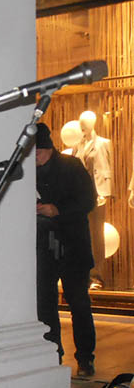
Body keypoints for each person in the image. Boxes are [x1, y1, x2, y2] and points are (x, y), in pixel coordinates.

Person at [36, 122, 97, 377]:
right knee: (45, 305)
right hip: (43, 248)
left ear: (48, 149)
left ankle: (85, 359)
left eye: (38, 153)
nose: (35, 159)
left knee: (79, 303)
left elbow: (88, 201)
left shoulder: (72, 166)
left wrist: (57, 210)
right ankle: (54, 357)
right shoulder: (30, 172)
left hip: (73, 246)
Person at [72, 111, 114, 290]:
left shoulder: (103, 143)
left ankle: (97, 276)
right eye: (81, 122)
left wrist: (105, 192)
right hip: (81, 195)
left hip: (97, 195)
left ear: (93, 123)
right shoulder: (77, 145)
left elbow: (107, 168)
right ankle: (83, 274)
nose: (83, 125)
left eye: (86, 122)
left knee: (96, 236)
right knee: (82, 235)